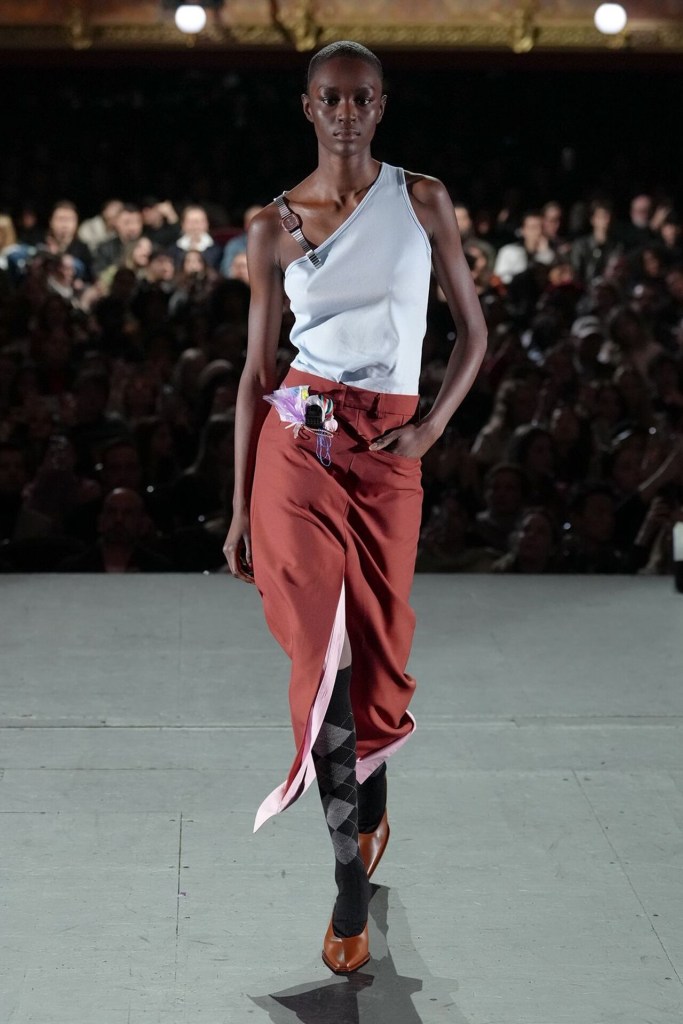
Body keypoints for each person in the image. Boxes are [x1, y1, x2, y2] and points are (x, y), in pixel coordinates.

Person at [222, 41, 486, 974]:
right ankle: (345, 878)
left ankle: (369, 806)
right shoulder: (271, 224)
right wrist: (239, 506)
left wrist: (432, 430)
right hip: (296, 443)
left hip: (387, 450)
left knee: (375, 654)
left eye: (360, 98)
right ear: (307, 107)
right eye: (329, 98)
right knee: (322, 650)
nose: (344, 112)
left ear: (380, 105)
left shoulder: (422, 199)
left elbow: (472, 332)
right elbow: (256, 374)